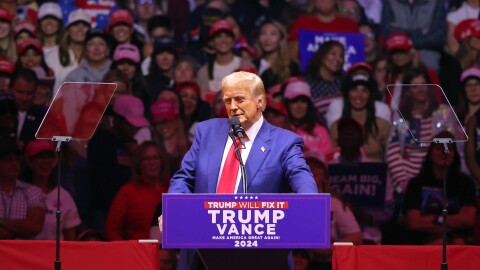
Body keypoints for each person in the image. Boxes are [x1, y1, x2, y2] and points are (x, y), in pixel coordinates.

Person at [162, 71, 318, 269]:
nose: (233, 107)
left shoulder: (284, 142)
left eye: (240, 99)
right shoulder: (206, 132)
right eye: (228, 101)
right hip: (201, 254)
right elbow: (184, 178)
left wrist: (308, 204)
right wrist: (175, 208)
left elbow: (300, 176)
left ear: (260, 102)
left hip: (260, 256)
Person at [403, 131, 477, 244]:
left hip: (459, 240)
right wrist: (453, 222)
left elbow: (467, 219)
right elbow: (414, 223)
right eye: (439, 148)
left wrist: (434, 220)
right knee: (439, 243)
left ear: (455, 154)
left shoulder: (466, 183)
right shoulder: (416, 184)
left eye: (449, 149)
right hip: (424, 242)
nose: (444, 152)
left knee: (458, 243)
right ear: (430, 153)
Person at [105, 141, 169, 240]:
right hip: (138, 251)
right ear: (139, 163)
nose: (151, 163)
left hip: (171, 252)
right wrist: (126, 250)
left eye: (155, 158)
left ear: (162, 161)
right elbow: (112, 230)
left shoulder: (173, 188)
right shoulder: (128, 191)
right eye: (146, 159)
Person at [23, 140, 81, 240]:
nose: (45, 161)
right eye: (40, 156)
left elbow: (70, 239)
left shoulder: (63, 195)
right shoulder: (19, 192)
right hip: (24, 254)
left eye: (49, 156)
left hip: (54, 255)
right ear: (29, 161)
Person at [0, 139, 45, 239]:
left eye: (17, 159)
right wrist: (16, 229)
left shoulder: (32, 191)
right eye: (8, 159)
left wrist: (1, 222)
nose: (14, 163)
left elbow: (34, 226)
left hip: (23, 253)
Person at [283, 80, 332, 155]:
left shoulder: (320, 131)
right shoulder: (279, 130)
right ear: (287, 104)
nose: (299, 106)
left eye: (303, 101)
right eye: (294, 101)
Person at [10, 68, 44, 148]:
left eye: (29, 93)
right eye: (20, 92)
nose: (24, 98)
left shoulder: (42, 118)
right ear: (10, 88)